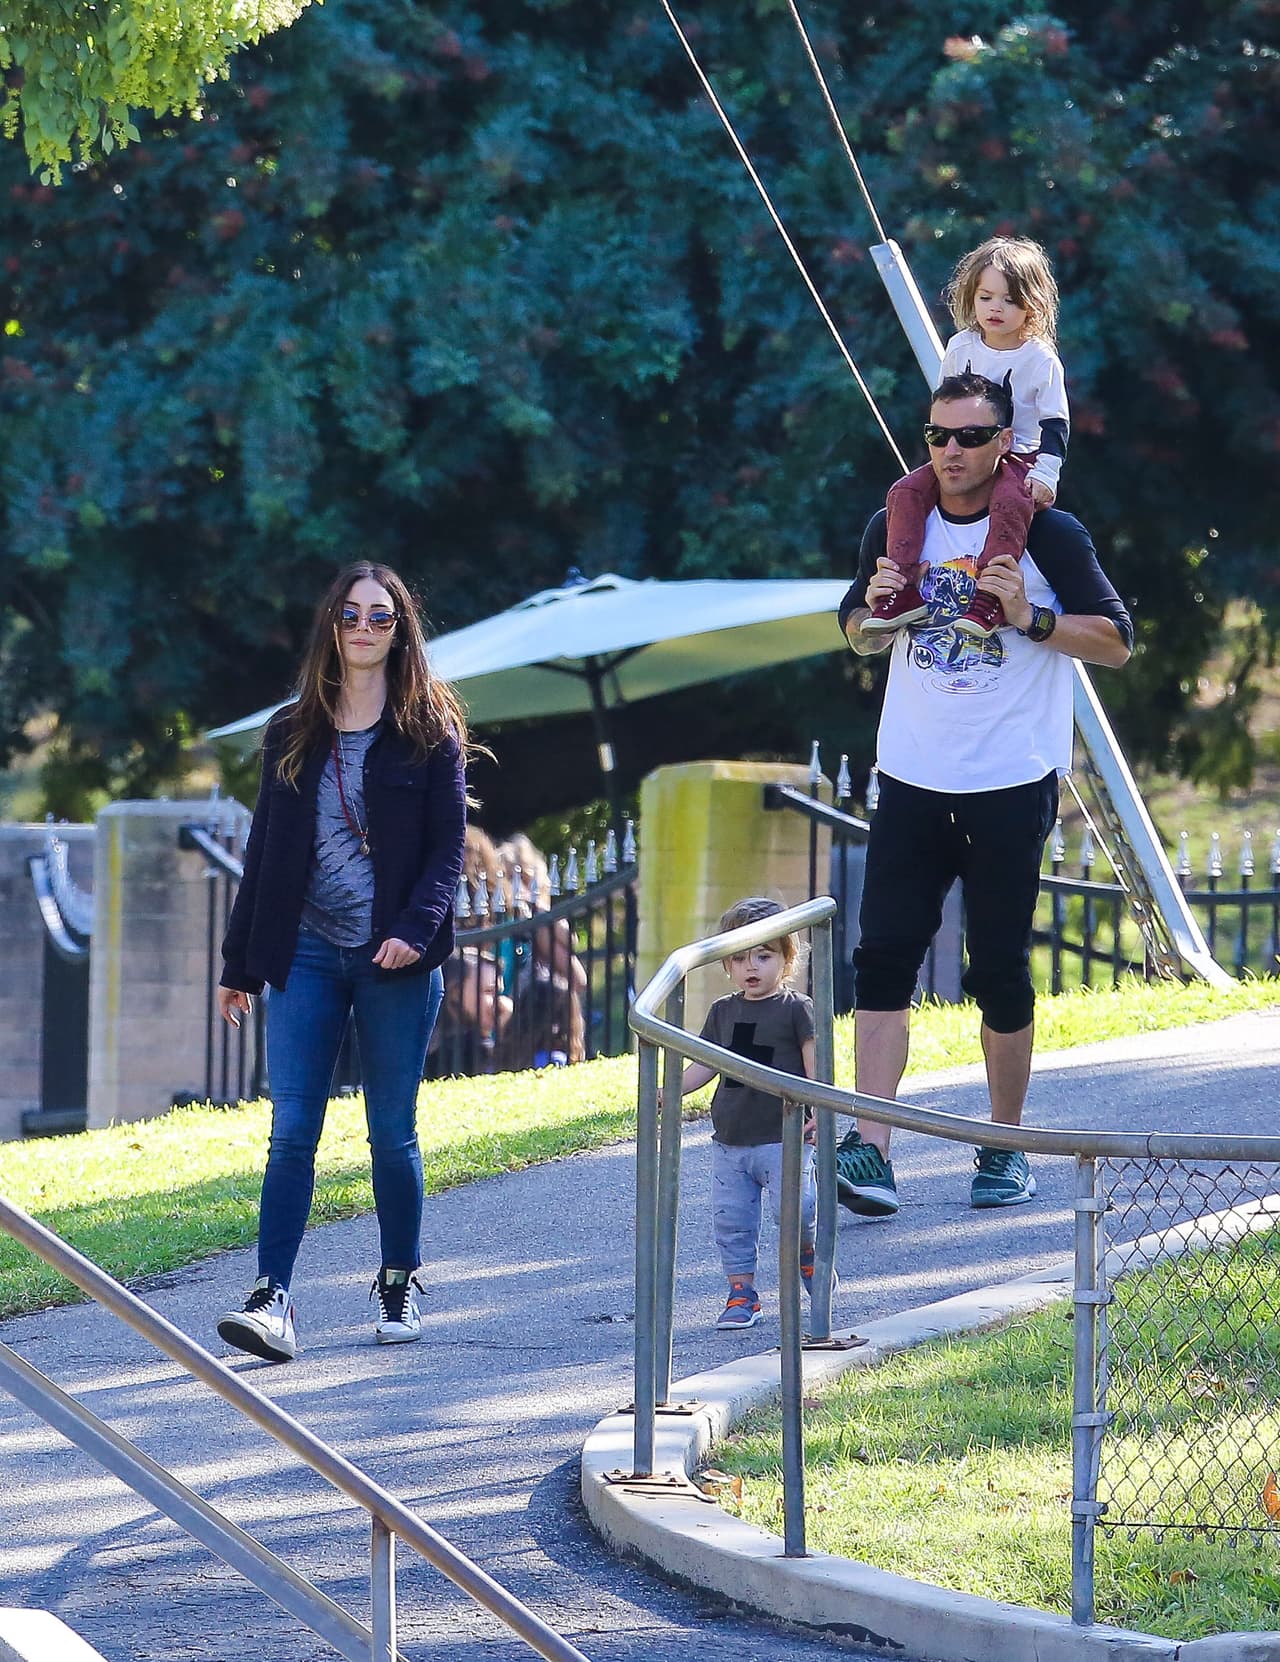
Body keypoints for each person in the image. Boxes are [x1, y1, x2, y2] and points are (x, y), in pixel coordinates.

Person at [835, 371, 1132, 1217]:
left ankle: (1004, 1147)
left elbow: (1116, 640)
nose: (952, 451)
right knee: (882, 957)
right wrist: (872, 617)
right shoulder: (895, 523)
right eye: (938, 435)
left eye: (970, 436)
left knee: (997, 967)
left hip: (1009, 779)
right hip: (911, 776)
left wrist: (1032, 617)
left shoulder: (1048, 532)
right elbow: (854, 629)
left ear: (1005, 443)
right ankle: (871, 1144)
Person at [215, 561, 469, 1362]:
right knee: (293, 1129)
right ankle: (272, 1297)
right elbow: (264, 850)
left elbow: (448, 850)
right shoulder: (292, 730)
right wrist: (239, 964)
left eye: (380, 616)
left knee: (390, 1133)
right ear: (332, 624)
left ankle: (398, 1280)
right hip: (307, 953)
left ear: (400, 630)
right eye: (351, 614)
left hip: (394, 958)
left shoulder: (429, 731)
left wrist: (414, 930)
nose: (364, 628)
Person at [863, 236, 1068, 641]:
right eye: (986, 297)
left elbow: (1055, 424)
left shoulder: (1039, 359)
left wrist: (1046, 473)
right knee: (905, 492)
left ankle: (990, 597)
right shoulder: (961, 347)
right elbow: (945, 404)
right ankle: (902, 587)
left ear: (1031, 304)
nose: (995, 308)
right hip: (964, 449)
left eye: (1009, 300)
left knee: (1010, 502)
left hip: (1018, 456)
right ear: (971, 298)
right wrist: (945, 443)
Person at [663, 898, 823, 1331]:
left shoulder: (796, 1009)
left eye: (763, 956)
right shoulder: (723, 1011)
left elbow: (816, 1065)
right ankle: (741, 1293)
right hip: (731, 1141)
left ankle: (808, 1254)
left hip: (783, 1136)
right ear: (726, 964)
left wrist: (818, 1110)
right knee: (731, 1221)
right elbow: (706, 1062)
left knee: (795, 1211)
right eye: (739, 958)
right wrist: (671, 1090)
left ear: (787, 958)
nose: (751, 967)